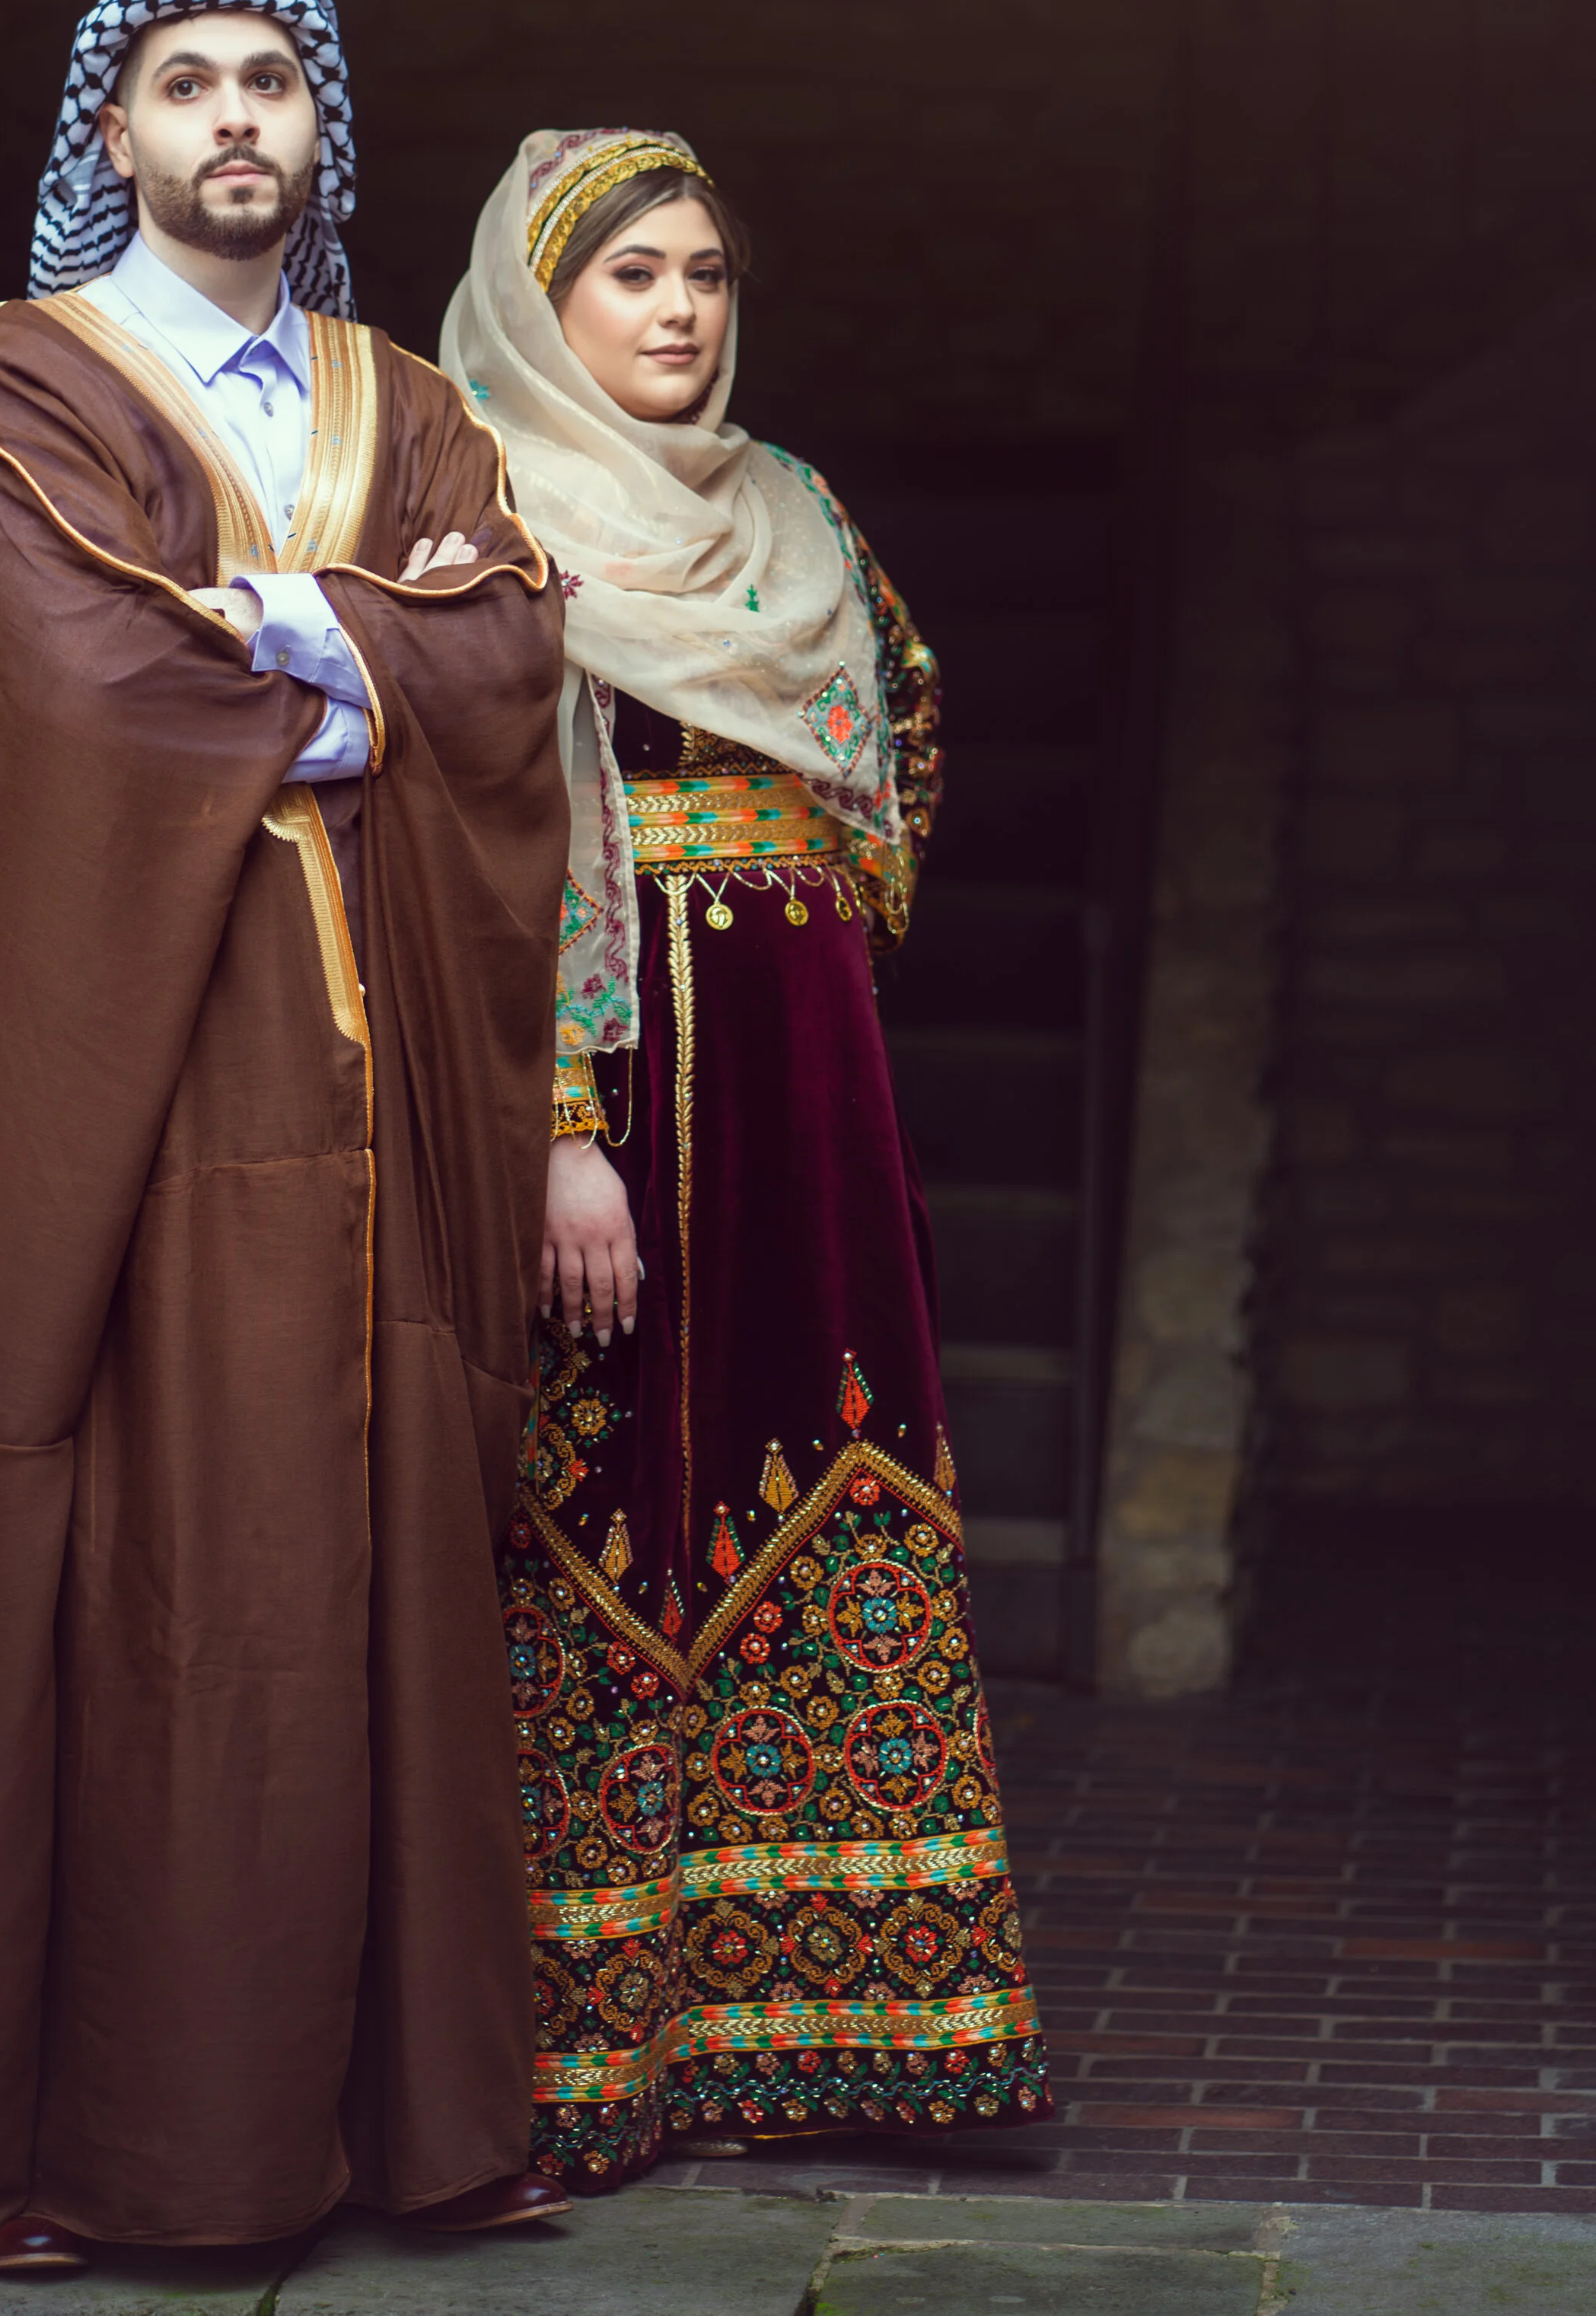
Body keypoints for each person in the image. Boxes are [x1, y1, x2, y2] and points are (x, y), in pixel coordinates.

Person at [0, 0, 574, 2279]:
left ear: (319, 131)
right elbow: (83, 665)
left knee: (366, 1558)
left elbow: (507, 634)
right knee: (168, 1573)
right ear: (110, 131)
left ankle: (404, 2122)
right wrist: (348, 644)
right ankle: (117, 2146)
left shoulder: (398, 397)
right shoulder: (27, 375)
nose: (232, 118)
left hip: (376, 1081)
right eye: (185, 82)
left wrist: (295, 625)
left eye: (272, 82)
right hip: (130, 1073)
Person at [441, 128, 1051, 2188]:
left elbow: (908, 741)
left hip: (803, 1088)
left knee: (825, 1463)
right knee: (599, 1494)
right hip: (605, 1095)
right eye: (629, 275)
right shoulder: (479, 517)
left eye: (704, 270)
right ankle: (590, 2042)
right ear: (545, 301)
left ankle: (852, 2016)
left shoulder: (793, 512)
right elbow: (468, 842)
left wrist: (809, 956)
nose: (680, 308)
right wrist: (554, 1130)